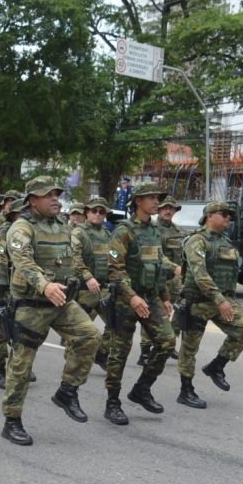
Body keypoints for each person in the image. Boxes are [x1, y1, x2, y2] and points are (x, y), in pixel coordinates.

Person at [0, 176, 100, 446]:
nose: (55, 199)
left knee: (89, 335)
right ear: (33, 200)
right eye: (48, 195)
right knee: (21, 366)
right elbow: (22, 261)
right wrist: (44, 285)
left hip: (61, 301)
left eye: (57, 194)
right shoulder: (22, 227)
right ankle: (12, 421)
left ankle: (67, 391)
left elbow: (70, 259)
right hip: (31, 304)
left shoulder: (62, 225)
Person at [102, 181, 177, 426]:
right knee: (120, 352)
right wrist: (132, 297)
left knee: (167, 341)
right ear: (138, 201)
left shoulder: (154, 230)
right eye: (151, 198)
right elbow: (114, 270)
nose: (157, 202)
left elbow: (156, 264)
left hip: (150, 296)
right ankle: (112, 402)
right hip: (126, 299)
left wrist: (165, 296)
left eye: (158, 198)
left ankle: (142, 389)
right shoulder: (124, 230)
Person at [175, 202, 243, 409]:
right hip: (198, 301)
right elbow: (200, 275)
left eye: (230, 215)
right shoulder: (197, 241)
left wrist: (226, 299)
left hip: (224, 299)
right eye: (224, 214)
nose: (229, 218)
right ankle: (186, 390)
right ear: (210, 216)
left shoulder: (226, 242)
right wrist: (220, 300)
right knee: (189, 348)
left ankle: (216, 366)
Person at [138, 195, 187, 365]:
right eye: (165, 207)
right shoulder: (151, 229)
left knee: (179, 311)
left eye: (171, 208)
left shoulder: (179, 232)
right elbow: (157, 256)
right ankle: (145, 351)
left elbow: (184, 256)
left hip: (175, 280)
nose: (168, 211)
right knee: (152, 313)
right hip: (156, 278)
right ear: (158, 210)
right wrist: (174, 267)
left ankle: (169, 342)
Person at [70, 197, 115, 369]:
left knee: (116, 322)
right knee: (80, 332)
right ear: (87, 213)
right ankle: (72, 366)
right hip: (84, 291)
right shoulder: (79, 233)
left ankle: (102, 354)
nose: (97, 214)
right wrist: (88, 277)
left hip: (103, 289)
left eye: (101, 211)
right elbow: (75, 258)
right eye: (94, 211)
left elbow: (113, 258)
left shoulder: (107, 234)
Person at [0, 193, 24, 388]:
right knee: (2, 330)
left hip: (25, 289)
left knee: (24, 331)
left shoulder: (31, 231)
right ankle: (0, 370)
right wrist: (1, 284)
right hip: (6, 287)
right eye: (20, 213)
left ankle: (19, 365)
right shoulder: (5, 230)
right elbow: (0, 258)